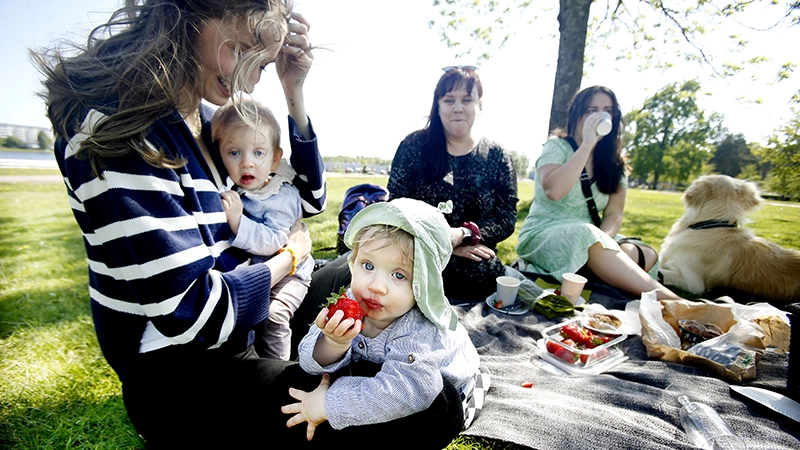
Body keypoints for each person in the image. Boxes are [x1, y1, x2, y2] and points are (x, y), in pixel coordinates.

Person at [33, 0, 330, 447]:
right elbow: (194, 316)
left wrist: (294, 90)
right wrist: (290, 257)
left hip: (244, 318)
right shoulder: (115, 124)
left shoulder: (210, 118)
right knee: (407, 405)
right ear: (195, 18)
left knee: (359, 274)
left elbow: (310, 199)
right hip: (182, 375)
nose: (249, 83)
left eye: (263, 67)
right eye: (248, 51)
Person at [282, 198, 489, 447]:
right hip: (380, 371)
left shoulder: (420, 328)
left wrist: (328, 405)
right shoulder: (348, 300)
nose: (376, 286)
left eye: (399, 275)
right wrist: (332, 342)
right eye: (368, 265)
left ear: (424, 284)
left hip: (438, 386)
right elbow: (307, 361)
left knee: (435, 411)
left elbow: (405, 391)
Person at [515, 85, 683, 300]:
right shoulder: (557, 146)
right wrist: (586, 145)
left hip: (593, 236)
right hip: (546, 233)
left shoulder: (614, 161)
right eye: (591, 110)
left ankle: (594, 276)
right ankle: (675, 302)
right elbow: (554, 191)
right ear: (577, 114)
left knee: (641, 253)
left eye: (606, 110)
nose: (599, 116)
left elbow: (614, 214)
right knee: (589, 236)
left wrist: (606, 241)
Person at [387, 66, 519, 302]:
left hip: (473, 256)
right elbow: (397, 206)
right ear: (437, 106)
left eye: (467, 99)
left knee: (481, 271)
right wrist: (444, 246)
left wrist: (463, 234)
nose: (458, 108)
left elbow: (506, 216)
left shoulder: (498, 156)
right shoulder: (413, 147)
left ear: (479, 104)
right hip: (418, 250)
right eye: (449, 100)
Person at [212, 98, 315, 360]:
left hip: (291, 275)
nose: (247, 163)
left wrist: (238, 223)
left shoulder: (280, 195)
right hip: (261, 275)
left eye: (258, 153)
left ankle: (277, 370)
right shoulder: (236, 190)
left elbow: (275, 240)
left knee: (274, 316)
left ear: (274, 159)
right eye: (234, 153)